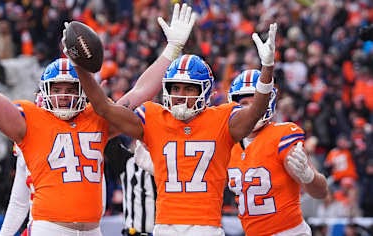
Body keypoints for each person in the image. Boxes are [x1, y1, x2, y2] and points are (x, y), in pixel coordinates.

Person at [0, 0, 196, 234]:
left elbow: (140, 91)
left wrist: (172, 50)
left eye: (69, 88)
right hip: (50, 228)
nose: (63, 95)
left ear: (82, 91)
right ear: (45, 91)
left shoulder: (96, 116)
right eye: (57, 89)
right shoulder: (31, 119)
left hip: (92, 230)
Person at [66, 16, 278, 235]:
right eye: (175, 88)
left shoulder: (222, 118)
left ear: (204, 91)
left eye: (189, 89)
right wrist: (79, 66)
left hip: (205, 227)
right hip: (165, 226)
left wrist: (267, 70)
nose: (180, 95)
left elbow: (255, 112)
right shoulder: (154, 116)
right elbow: (104, 109)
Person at [226, 69, 328, 235]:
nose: (252, 109)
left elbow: (321, 192)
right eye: (244, 103)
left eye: (257, 101)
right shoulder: (230, 145)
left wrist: (308, 176)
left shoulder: (282, 135)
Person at [105, 138, 156, 236]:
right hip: (134, 232)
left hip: (161, 231)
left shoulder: (166, 162)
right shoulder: (127, 162)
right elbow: (109, 140)